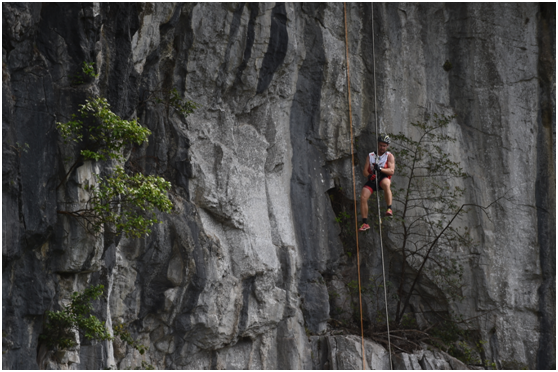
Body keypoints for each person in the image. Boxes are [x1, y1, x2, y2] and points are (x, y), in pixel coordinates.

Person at [359, 134, 395, 232]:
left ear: (387, 146)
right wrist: (369, 176)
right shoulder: (371, 155)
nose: (382, 147)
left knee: (387, 184)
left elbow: (391, 171)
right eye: (380, 145)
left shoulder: (389, 156)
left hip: (383, 177)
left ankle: (389, 208)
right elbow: (365, 171)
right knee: (363, 197)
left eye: (384, 146)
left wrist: (380, 169)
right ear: (377, 145)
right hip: (373, 178)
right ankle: (365, 223)